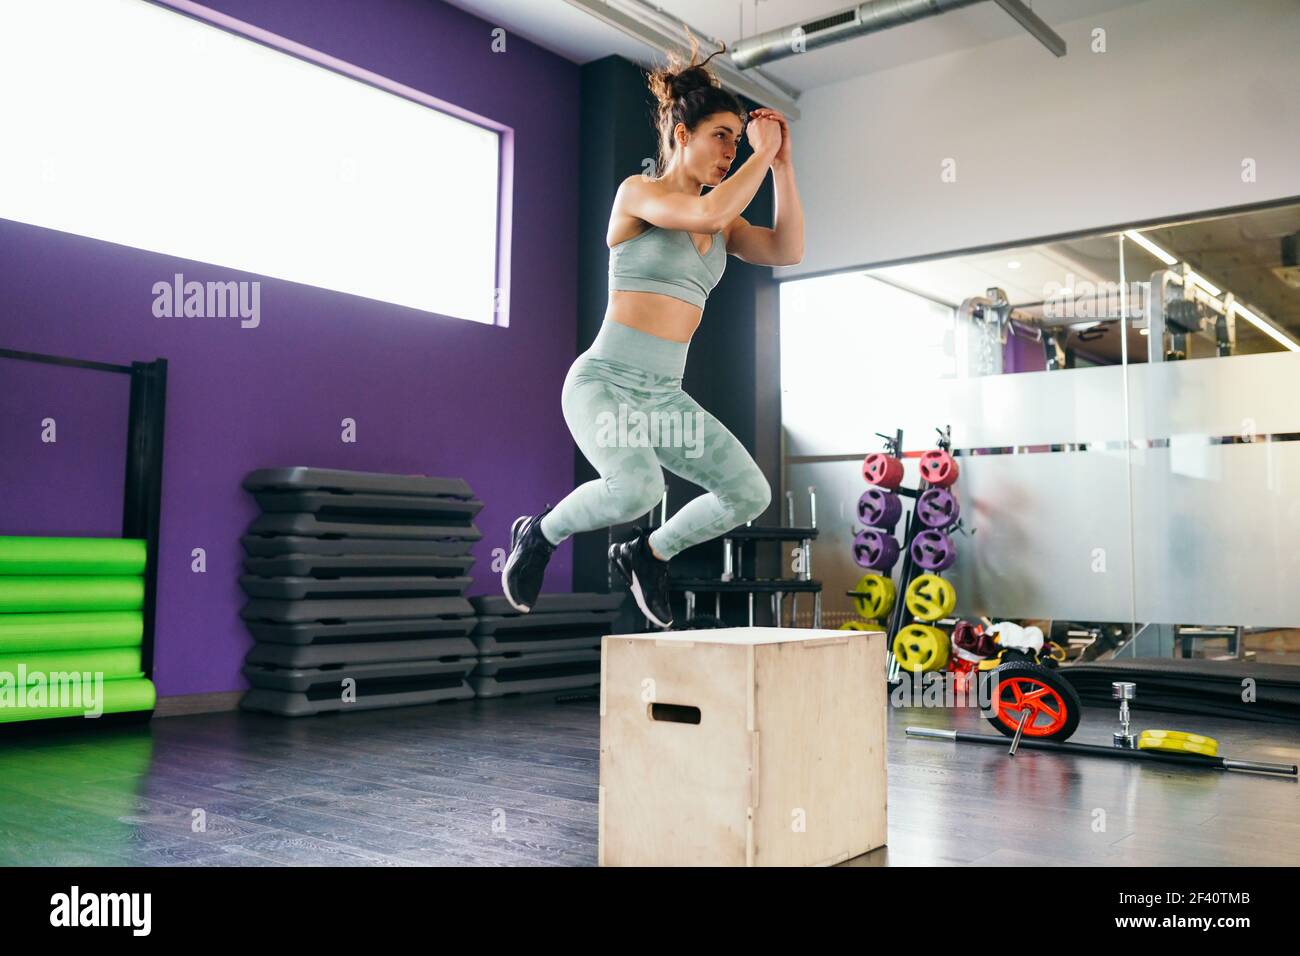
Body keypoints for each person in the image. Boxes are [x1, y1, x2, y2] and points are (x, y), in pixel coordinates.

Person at [502, 36, 803, 628]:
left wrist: (784, 167)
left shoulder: (725, 222)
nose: (730, 151)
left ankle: (649, 552)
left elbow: (786, 249)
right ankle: (538, 533)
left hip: (663, 397)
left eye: (737, 142)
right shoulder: (638, 195)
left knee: (749, 493)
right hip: (604, 383)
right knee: (637, 489)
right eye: (722, 136)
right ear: (681, 134)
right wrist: (761, 157)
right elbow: (708, 211)